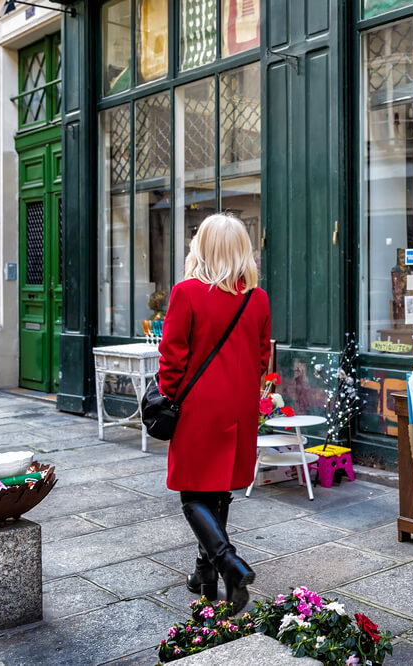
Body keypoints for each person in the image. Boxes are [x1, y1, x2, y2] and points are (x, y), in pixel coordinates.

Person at [157, 213, 272, 613]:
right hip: (239, 404)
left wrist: (167, 397)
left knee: (193, 494)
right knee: (218, 489)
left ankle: (228, 561)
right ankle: (204, 572)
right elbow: (262, 356)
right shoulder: (257, 298)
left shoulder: (186, 292)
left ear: (201, 247)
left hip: (199, 404)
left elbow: (172, 357)